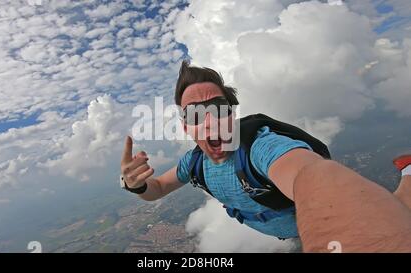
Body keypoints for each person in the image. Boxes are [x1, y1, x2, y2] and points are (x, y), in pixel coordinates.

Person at [119, 60, 411, 252]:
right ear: (186, 127)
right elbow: (157, 189)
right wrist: (136, 185)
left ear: (232, 115)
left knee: (403, 207)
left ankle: (409, 172)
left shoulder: (259, 148)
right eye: (195, 114)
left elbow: (311, 175)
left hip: (303, 227)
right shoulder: (193, 163)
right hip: (291, 230)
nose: (209, 121)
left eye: (218, 108)